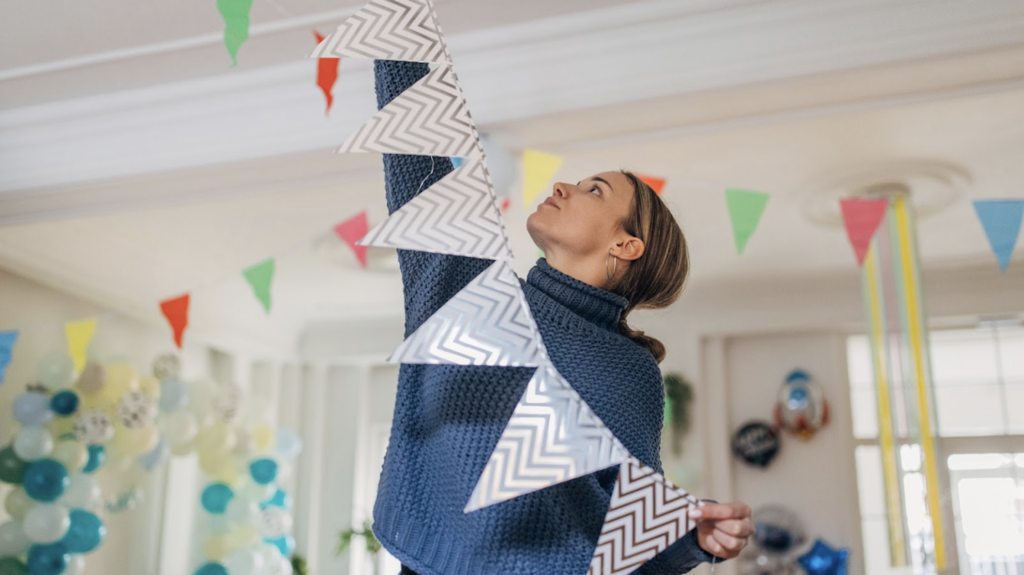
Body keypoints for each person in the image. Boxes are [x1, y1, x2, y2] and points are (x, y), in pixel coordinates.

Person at [371, 60, 754, 575]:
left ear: (626, 243)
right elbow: (415, 155)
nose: (560, 188)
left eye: (594, 190)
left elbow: (629, 522)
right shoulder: (471, 290)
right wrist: (397, 37)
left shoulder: (628, 374)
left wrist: (693, 537)